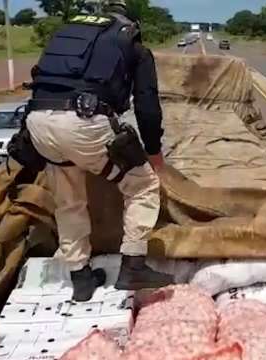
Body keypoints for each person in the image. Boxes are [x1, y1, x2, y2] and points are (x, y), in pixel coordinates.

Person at [24, 0, 172, 301]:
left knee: (68, 201)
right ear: (132, 24)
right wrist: (154, 152)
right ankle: (133, 266)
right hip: (84, 124)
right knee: (143, 186)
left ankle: (80, 277)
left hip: (37, 123)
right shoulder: (132, 44)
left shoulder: (67, 35)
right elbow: (147, 106)